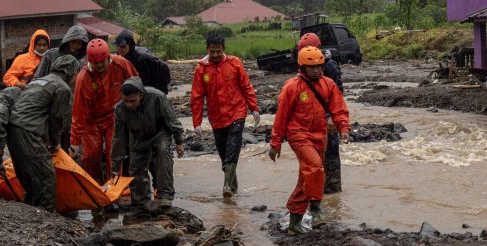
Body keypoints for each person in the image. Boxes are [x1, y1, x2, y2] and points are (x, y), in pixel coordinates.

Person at [269, 46, 350, 235]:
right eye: (311, 67)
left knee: (307, 178)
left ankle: (294, 223)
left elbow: (339, 109)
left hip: (320, 136)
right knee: (315, 168)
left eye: (319, 66)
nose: (316, 70)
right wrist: (275, 143)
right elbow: (281, 117)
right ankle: (316, 209)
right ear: (302, 67)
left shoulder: (328, 84)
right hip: (298, 135)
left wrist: (343, 128)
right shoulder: (291, 87)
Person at [7, 55, 80, 211]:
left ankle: (31, 210)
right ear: (72, 73)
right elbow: (57, 119)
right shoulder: (62, 87)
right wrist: (56, 143)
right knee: (46, 176)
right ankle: (45, 216)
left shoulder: (38, 81)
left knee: (29, 175)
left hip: (12, 128)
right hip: (28, 131)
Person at [191, 33, 260, 197]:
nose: (215, 55)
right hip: (216, 118)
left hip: (237, 112)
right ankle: (233, 185)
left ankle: (227, 187)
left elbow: (246, 87)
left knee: (233, 145)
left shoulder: (234, 63)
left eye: (218, 51)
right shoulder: (201, 69)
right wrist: (197, 122)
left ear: (224, 49)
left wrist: (254, 108)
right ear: (207, 49)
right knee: (223, 154)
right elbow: (197, 97)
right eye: (212, 51)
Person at [71, 38, 138, 184]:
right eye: (96, 63)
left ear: (108, 57)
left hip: (114, 116)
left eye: (103, 61)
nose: (100, 65)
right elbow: (79, 112)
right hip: (91, 120)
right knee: (90, 156)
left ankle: (113, 187)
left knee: (113, 154)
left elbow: (136, 84)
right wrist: (74, 142)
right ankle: (95, 188)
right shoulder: (83, 79)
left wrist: (136, 111)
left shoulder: (121, 63)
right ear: (89, 61)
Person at [112, 77, 184, 209]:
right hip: (138, 136)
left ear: (141, 95)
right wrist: (115, 166)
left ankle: (165, 195)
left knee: (163, 153)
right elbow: (118, 138)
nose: (129, 105)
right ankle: (141, 200)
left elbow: (172, 120)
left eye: (133, 101)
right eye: (126, 101)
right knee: (135, 167)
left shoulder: (157, 97)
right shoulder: (120, 109)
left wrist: (179, 141)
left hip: (160, 132)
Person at [297, 32, 344, 194]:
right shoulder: (302, 66)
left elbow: (338, 95)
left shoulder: (329, 66)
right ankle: (314, 191)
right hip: (309, 123)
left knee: (330, 157)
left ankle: (332, 194)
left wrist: (333, 118)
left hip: (327, 120)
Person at [114, 29, 171, 94]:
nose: (119, 49)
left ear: (130, 45)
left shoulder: (144, 57)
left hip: (148, 87)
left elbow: (163, 66)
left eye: (122, 46)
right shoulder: (119, 58)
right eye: (117, 46)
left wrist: (161, 90)